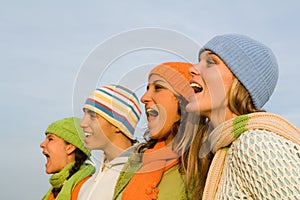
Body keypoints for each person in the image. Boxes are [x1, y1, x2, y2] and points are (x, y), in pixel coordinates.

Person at [182, 34, 300, 199]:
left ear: (240, 82)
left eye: (210, 62)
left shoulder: (255, 144)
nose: (192, 69)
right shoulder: (223, 149)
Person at [113, 62, 198, 200]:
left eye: (158, 88)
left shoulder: (201, 164)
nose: (144, 97)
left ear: (183, 101)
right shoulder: (136, 161)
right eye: (147, 88)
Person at [77, 84, 142, 200]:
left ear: (119, 124)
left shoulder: (139, 176)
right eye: (85, 114)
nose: (82, 123)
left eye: (92, 116)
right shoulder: (87, 185)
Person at [40, 117, 95, 200]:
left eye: (50, 139)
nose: (42, 144)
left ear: (70, 147)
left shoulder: (89, 189)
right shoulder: (54, 192)